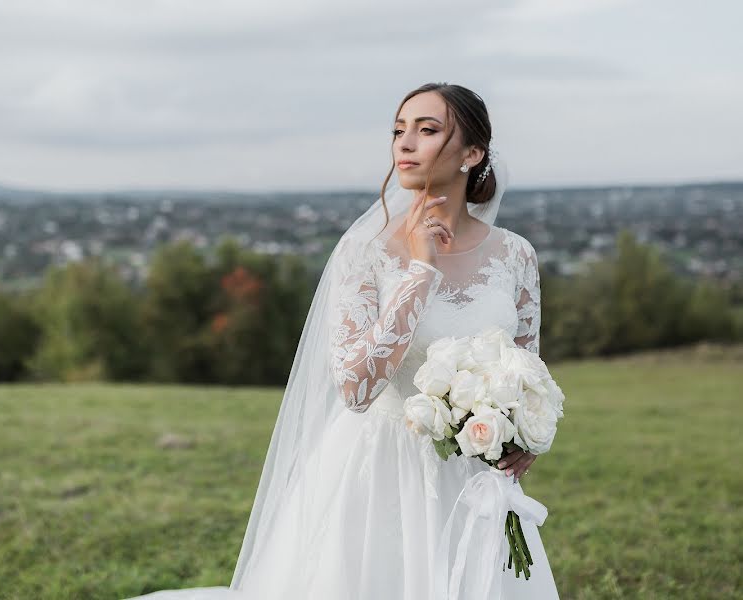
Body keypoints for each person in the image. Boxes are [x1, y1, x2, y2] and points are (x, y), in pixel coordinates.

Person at [126, 82, 560, 599]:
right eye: (399, 130)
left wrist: (527, 438)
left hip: (475, 476)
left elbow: (526, 372)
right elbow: (355, 388)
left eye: (427, 130)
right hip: (381, 474)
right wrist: (422, 270)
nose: (404, 143)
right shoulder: (365, 251)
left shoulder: (516, 255)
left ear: (472, 153)